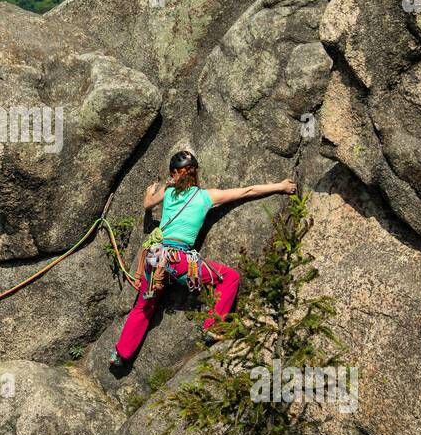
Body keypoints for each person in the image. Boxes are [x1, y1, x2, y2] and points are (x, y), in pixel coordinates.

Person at [110, 150, 296, 370]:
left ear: (174, 174)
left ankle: (120, 354)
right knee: (230, 277)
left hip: (156, 258)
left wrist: (150, 192)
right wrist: (281, 186)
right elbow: (248, 190)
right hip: (179, 262)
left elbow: (147, 204)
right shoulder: (207, 196)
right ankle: (212, 326)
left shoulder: (168, 192)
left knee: (143, 307)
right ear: (195, 173)